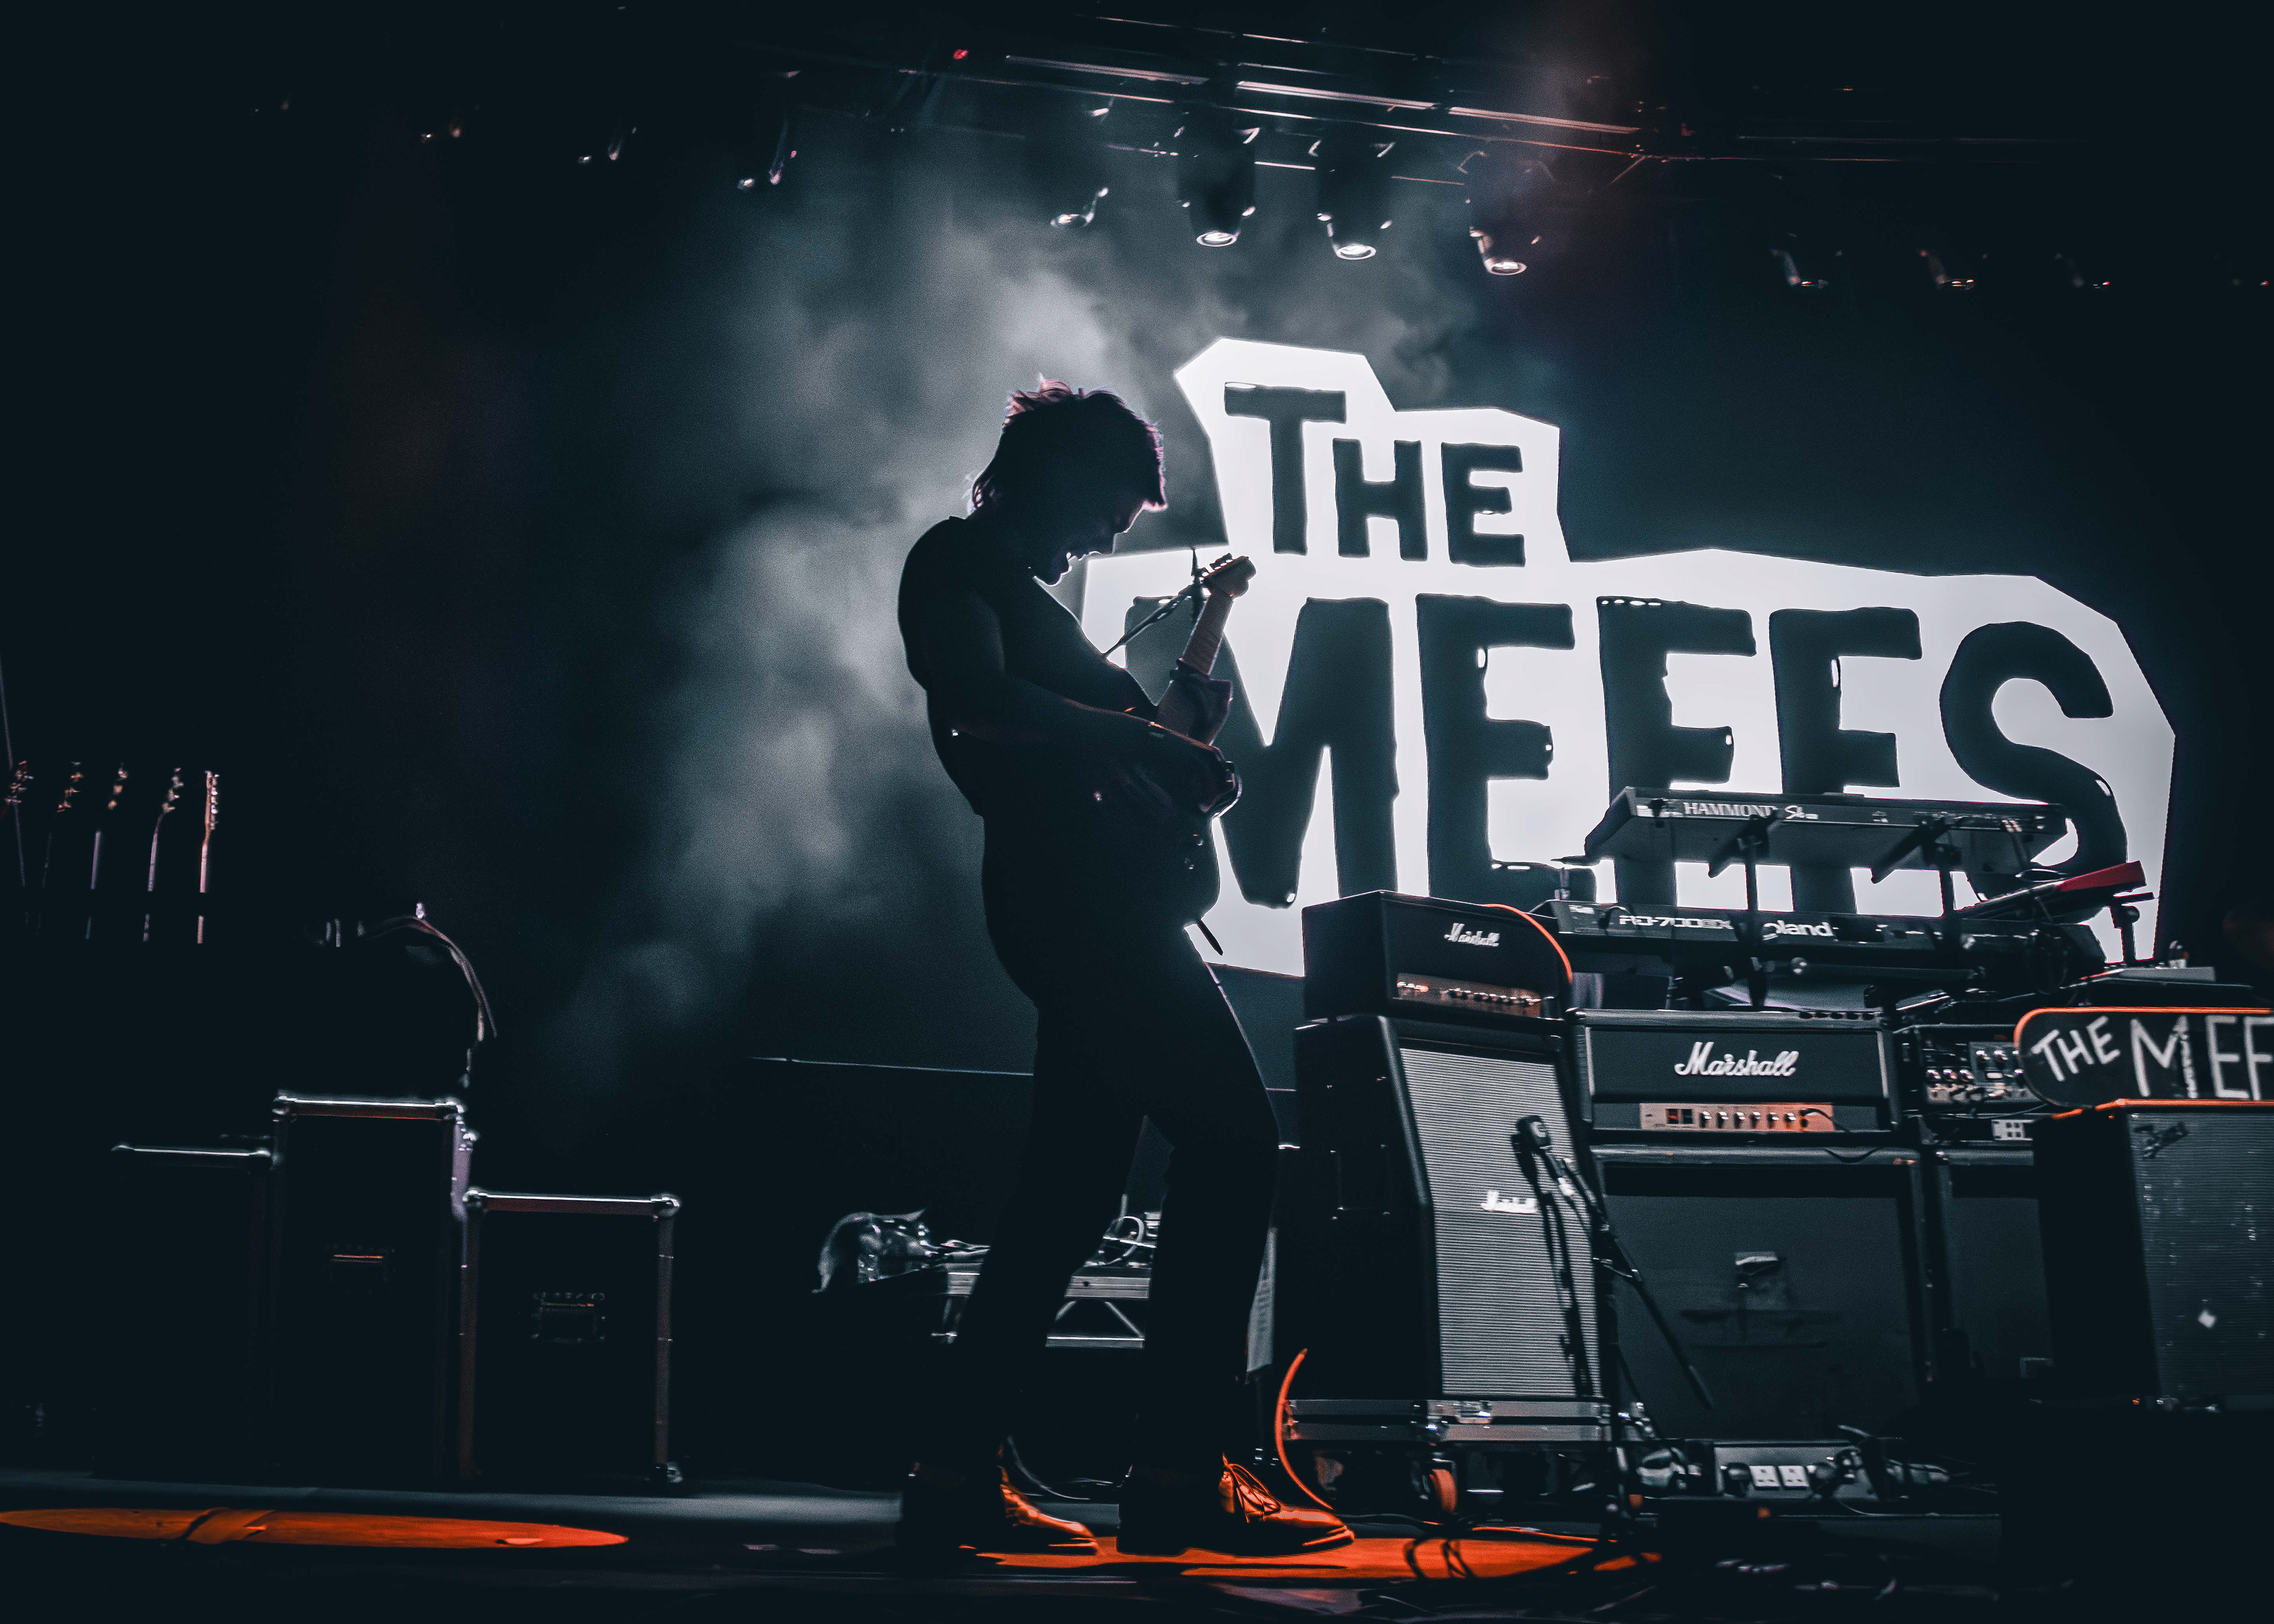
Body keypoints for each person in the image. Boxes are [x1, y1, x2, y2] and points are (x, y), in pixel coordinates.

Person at [894, 381, 1351, 1559]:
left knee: (1067, 1196)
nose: (1107, 537)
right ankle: (1180, 1475)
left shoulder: (1020, 595)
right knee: (1235, 1145)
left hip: (1087, 908)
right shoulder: (957, 562)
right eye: (1110, 508)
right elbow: (977, 702)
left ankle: (953, 1474)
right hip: (1084, 915)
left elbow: (1120, 745)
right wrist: (1141, 740)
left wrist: (1167, 751)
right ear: (1057, 472)